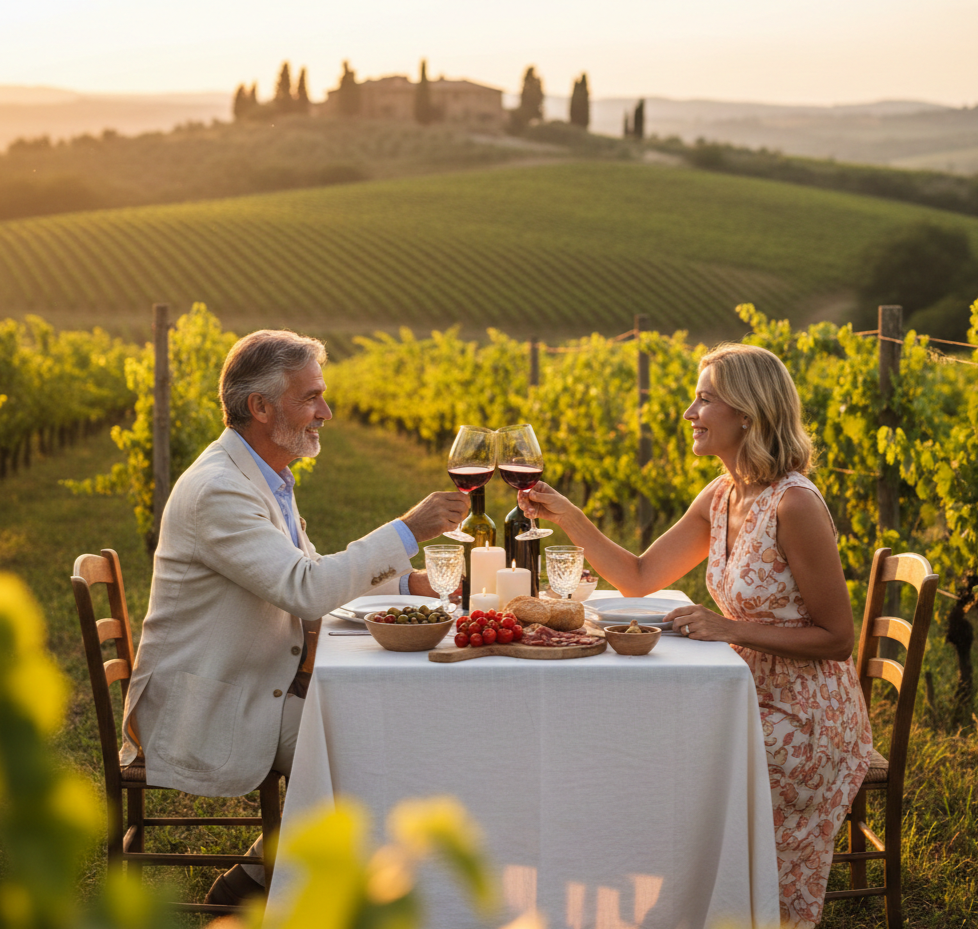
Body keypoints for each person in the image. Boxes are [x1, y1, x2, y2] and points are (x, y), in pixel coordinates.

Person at [520, 343, 872, 928]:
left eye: (704, 399)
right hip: (741, 694)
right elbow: (638, 577)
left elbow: (838, 639)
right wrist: (568, 516)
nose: (689, 412)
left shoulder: (794, 504)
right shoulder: (722, 494)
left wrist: (728, 628)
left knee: (668, 775)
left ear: (747, 414)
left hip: (806, 720)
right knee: (642, 753)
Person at [118, 329, 468, 906]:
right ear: (260, 406)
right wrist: (409, 529)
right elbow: (306, 589)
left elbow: (311, 570)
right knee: (372, 740)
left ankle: (276, 878)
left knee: (383, 726)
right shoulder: (219, 491)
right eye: (311, 398)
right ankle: (275, 884)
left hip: (257, 682)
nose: (325, 413)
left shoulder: (266, 475)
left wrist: (414, 583)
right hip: (214, 700)